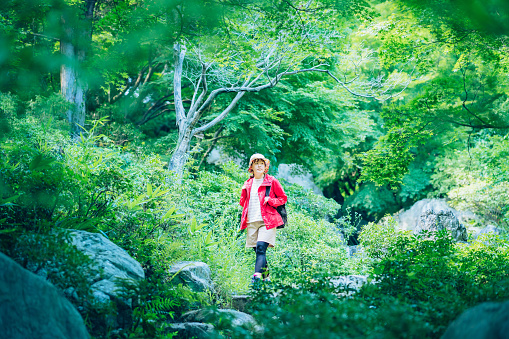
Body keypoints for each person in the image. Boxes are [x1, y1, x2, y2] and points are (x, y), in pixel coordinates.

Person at [239, 153, 287, 283]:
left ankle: (256, 278)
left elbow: (283, 198)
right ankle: (267, 278)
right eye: (256, 163)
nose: (259, 166)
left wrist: (270, 200)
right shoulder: (248, 183)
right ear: (251, 167)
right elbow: (243, 203)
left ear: (265, 167)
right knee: (259, 252)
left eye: (262, 164)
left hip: (268, 221)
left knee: (261, 247)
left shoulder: (271, 181)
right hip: (251, 221)